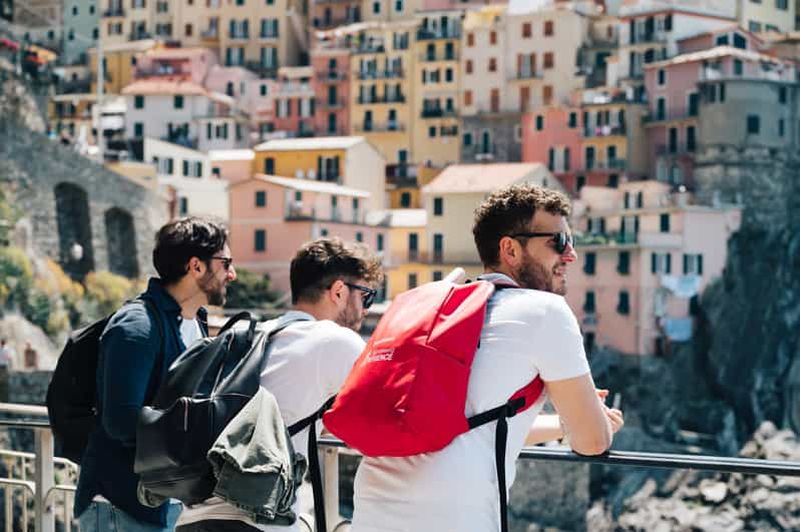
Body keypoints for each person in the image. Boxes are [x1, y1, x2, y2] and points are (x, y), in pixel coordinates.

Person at [351, 183, 624, 532]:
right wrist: (597, 421)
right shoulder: (546, 311)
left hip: (372, 511)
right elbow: (593, 442)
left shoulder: (440, 310)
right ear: (510, 249)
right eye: (558, 242)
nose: (569, 254)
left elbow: (466, 422)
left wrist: (560, 423)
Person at [176, 237, 383, 532]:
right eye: (366, 296)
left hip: (192, 518)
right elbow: (384, 417)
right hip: (256, 522)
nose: (365, 310)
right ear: (338, 291)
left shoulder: (256, 334)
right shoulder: (334, 340)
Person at [74, 217, 237, 532]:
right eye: (225, 262)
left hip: (163, 504)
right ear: (196, 266)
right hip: (118, 508)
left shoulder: (195, 323)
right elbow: (122, 423)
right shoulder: (137, 328)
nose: (232, 273)